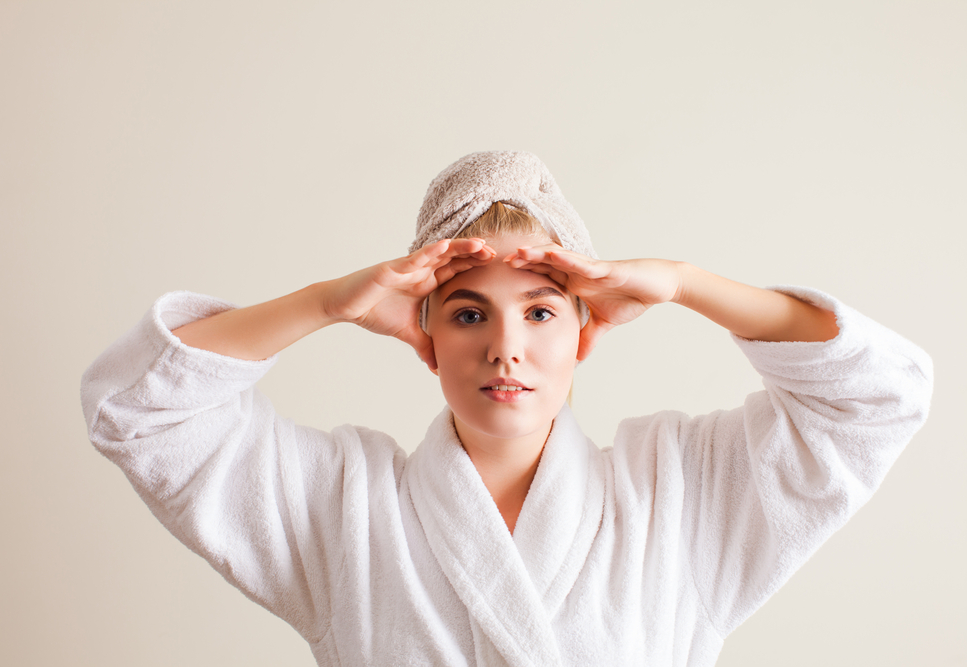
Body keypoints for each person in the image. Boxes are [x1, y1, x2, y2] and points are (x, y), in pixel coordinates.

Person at [81, 151, 932, 666]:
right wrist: (328, 301)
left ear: (585, 331)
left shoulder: (676, 496)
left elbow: (879, 394)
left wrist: (684, 282)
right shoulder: (345, 509)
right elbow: (137, 408)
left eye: (540, 311)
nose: (505, 347)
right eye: (467, 313)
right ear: (424, 335)